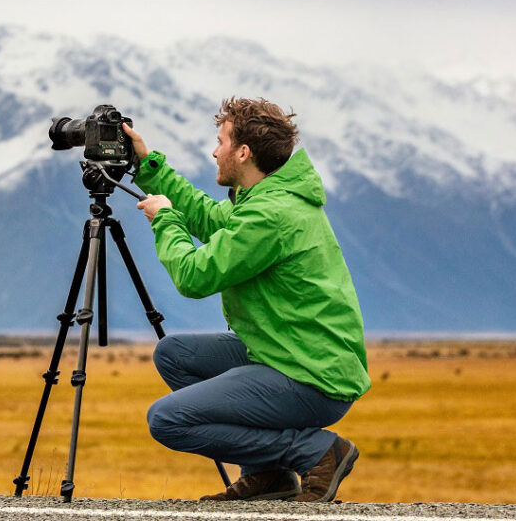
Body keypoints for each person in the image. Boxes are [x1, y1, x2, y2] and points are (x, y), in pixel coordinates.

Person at [121, 97, 369, 503]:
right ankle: (268, 475)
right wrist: (149, 166)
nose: (214, 151)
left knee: (167, 420)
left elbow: (195, 276)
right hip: (288, 354)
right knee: (174, 354)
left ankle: (317, 453)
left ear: (243, 152)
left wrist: (165, 219)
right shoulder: (264, 201)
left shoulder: (270, 215)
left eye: (220, 142)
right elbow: (204, 217)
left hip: (310, 376)